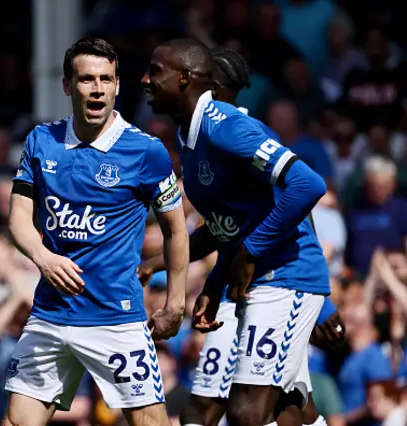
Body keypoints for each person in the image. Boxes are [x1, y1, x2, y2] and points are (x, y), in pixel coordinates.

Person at [139, 45, 345, 426]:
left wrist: (252, 254)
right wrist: (214, 285)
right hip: (254, 284)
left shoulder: (229, 128)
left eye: (155, 70)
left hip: (286, 278)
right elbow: (228, 225)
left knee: (243, 413)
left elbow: (305, 187)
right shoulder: (191, 139)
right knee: (284, 408)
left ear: (190, 78)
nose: (145, 80)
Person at [4, 37, 190, 426]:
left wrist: (175, 302)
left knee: (150, 422)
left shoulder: (146, 151)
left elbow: (176, 229)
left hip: (115, 317)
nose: (98, 88)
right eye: (87, 79)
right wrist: (44, 257)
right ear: (68, 85)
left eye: (106, 79)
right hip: (51, 314)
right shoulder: (41, 141)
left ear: (118, 85)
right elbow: (19, 217)